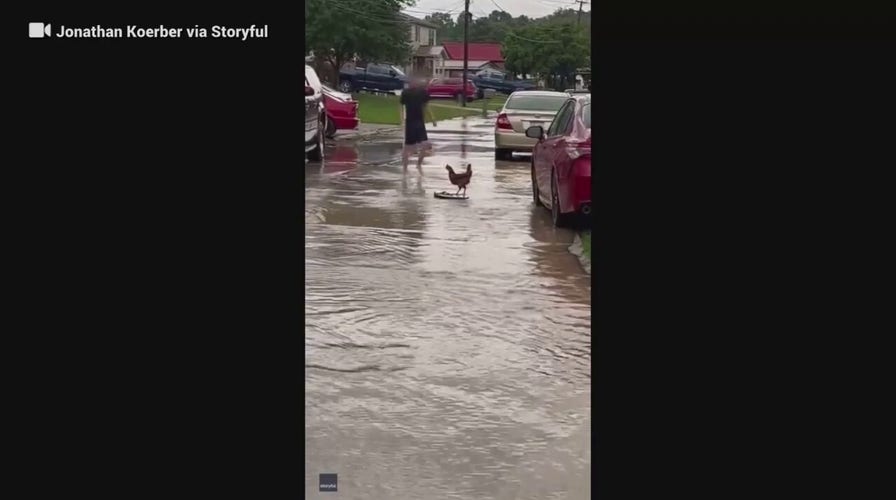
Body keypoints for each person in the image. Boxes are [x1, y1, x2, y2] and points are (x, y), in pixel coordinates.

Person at [399, 74, 437, 171]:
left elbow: (426, 106)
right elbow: (401, 106)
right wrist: (401, 120)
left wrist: (432, 119)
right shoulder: (406, 93)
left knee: (425, 144)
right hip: (410, 122)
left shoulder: (423, 93)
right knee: (407, 146)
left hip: (419, 121)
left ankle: (419, 164)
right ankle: (405, 168)